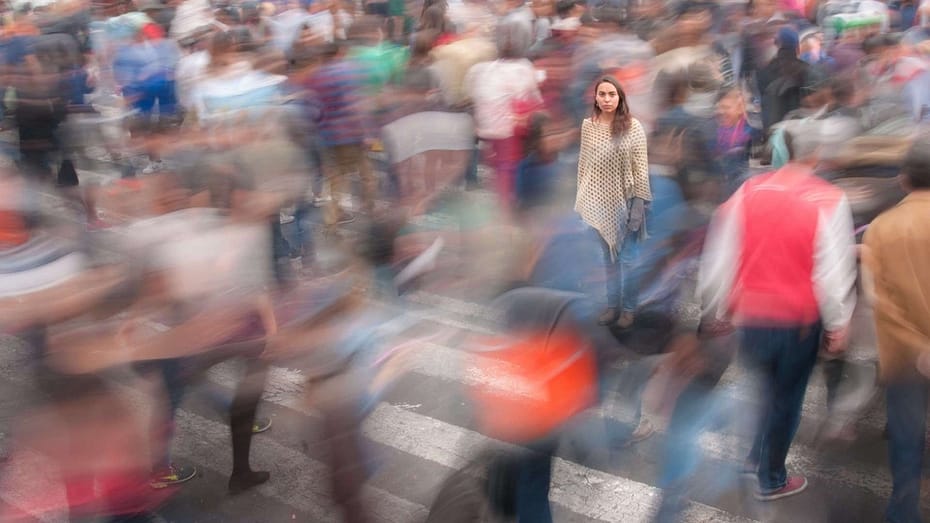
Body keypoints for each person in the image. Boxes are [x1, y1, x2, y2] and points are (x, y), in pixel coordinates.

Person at [698, 122, 857, 501]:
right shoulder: (829, 199)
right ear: (815, 155)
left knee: (763, 390)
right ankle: (771, 478)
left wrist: (714, 308)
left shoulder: (747, 190)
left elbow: (720, 254)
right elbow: (832, 271)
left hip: (751, 317)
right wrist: (838, 323)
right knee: (786, 398)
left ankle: (753, 457)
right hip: (796, 322)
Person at [861, 136, 930, 523]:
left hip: (905, 359)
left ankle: (904, 511)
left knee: (906, 438)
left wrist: (919, 348)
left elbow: (880, 301)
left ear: (903, 180)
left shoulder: (882, 228)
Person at [575, 76, 651, 328]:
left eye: (612, 94)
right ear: (595, 98)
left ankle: (628, 309)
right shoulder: (588, 126)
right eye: (602, 94)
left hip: (627, 203)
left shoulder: (633, 127)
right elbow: (584, 167)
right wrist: (582, 201)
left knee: (627, 260)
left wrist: (638, 207)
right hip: (598, 203)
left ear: (620, 98)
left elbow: (641, 170)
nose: (607, 99)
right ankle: (612, 305)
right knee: (608, 259)